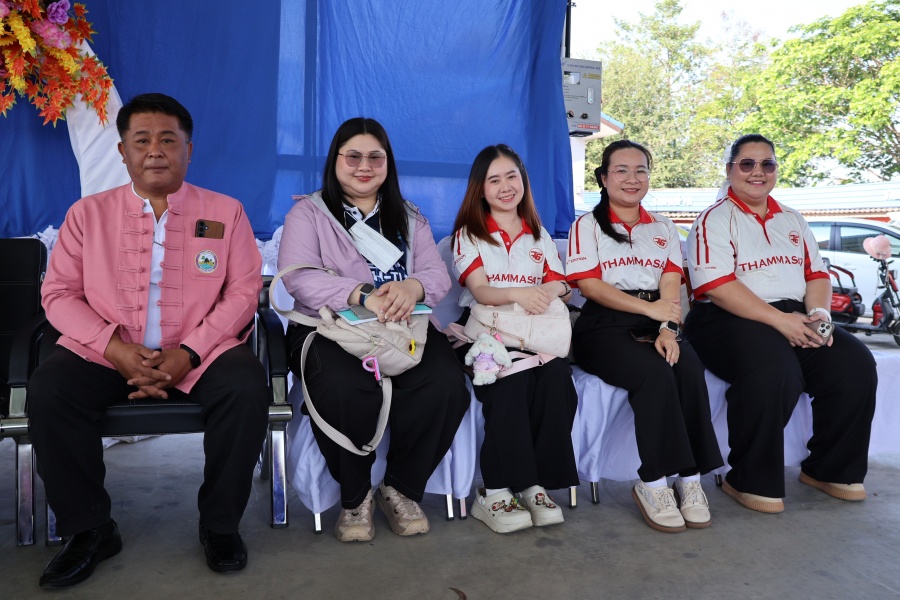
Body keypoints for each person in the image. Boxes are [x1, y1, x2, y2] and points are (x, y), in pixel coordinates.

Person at [28, 93, 269, 587]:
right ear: (123, 151)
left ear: (188, 150)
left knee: (246, 387)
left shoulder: (226, 212)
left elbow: (244, 292)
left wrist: (190, 352)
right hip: (105, 351)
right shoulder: (86, 215)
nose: (155, 150)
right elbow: (58, 294)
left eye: (167, 140)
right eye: (141, 140)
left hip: (202, 353)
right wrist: (113, 348)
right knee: (50, 390)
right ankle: (90, 529)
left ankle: (220, 525)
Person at [278, 117, 469, 542]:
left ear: (388, 163)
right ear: (335, 160)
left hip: (404, 326)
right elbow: (299, 277)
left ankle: (401, 488)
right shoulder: (308, 213)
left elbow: (435, 274)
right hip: (329, 327)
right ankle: (355, 496)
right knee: (344, 389)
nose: (364, 166)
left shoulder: (409, 216)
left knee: (445, 385)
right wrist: (362, 294)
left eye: (375, 157)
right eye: (353, 156)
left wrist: (413, 287)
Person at [685, 133, 877, 513]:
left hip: (794, 313)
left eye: (767, 164)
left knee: (854, 364)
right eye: (747, 164)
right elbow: (718, 287)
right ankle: (749, 478)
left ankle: (829, 469)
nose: (758, 171)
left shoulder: (792, 219)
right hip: (726, 317)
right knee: (774, 371)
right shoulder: (713, 219)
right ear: (730, 169)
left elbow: (816, 275)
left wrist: (819, 316)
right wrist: (780, 322)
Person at [566, 140, 723, 533]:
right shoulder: (587, 225)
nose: (631, 178)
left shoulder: (663, 226)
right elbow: (590, 286)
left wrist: (667, 327)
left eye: (640, 170)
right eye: (621, 170)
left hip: (658, 319)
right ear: (604, 178)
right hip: (603, 326)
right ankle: (653, 483)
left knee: (689, 368)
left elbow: (671, 281)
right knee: (653, 374)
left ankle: (690, 479)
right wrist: (650, 311)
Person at [450, 144, 579, 534]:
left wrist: (551, 290)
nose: (505, 187)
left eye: (512, 177)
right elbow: (481, 290)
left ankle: (533, 484)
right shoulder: (468, 235)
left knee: (557, 381)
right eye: (494, 180)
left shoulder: (538, 234)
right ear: (480, 188)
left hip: (534, 331)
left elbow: (561, 285)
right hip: (488, 334)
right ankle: (495, 490)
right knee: (511, 382)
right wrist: (520, 294)